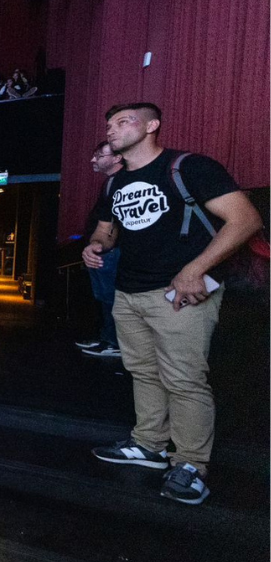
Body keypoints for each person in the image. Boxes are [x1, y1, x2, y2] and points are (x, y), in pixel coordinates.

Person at [83, 102, 261, 505]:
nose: (112, 129)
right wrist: (96, 245)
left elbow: (246, 220)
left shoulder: (189, 167)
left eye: (123, 122)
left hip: (179, 292)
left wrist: (195, 269)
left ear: (152, 126)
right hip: (129, 293)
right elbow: (106, 229)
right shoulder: (113, 182)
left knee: (184, 378)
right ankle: (149, 444)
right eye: (109, 123)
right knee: (143, 372)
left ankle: (191, 466)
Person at [76, 141, 125, 357]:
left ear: (117, 158)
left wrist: (104, 246)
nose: (93, 160)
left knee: (111, 298)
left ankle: (113, 343)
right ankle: (107, 340)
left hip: (112, 253)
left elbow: (114, 225)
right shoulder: (109, 184)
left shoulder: (122, 182)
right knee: (105, 299)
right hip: (103, 250)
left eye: (99, 155)